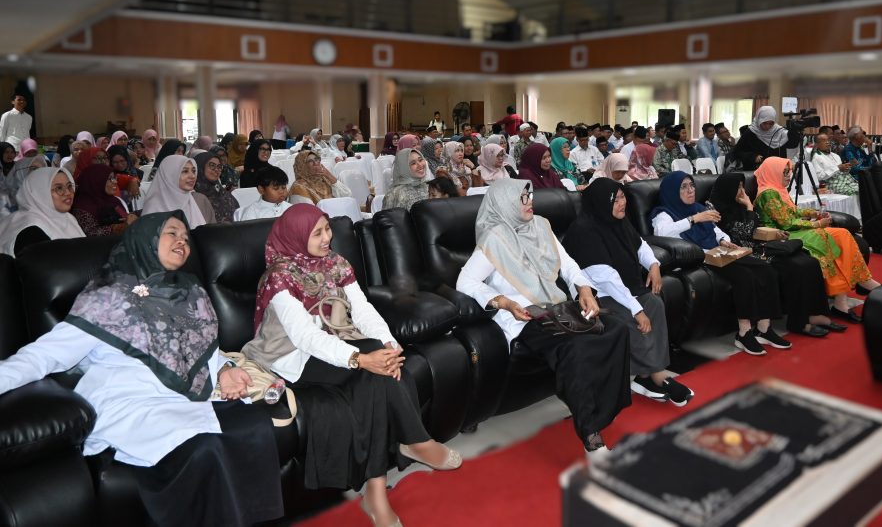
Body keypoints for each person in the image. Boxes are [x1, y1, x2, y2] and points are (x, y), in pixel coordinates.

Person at [0, 212, 284, 527]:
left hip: (182, 397)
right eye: (171, 233)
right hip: (130, 402)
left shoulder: (187, 292)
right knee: (205, 447)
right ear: (144, 241)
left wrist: (223, 369)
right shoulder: (107, 298)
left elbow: (197, 347)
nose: (182, 241)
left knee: (253, 424)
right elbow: (45, 355)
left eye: (185, 237)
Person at [243, 206, 459, 525]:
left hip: (337, 340)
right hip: (291, 357)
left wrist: (388, 345)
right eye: (316, 233)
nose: (327, 237)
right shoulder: (280, 276)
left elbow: (362, 308)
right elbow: (304, 337)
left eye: (327, 228)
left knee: (376, 375)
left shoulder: (335, 263)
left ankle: (376, 494)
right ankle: (413, 441)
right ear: (297, 237)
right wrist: (360, 358)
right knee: (373, 368)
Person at [457, 180, 631, 451]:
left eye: (530, 197)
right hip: (524, 316)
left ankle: (601, 409)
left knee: (617, 328)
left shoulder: (540, 225)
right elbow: (464, 282)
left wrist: (583, 288)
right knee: (575, 346)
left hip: (558, 307)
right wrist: (502, 301)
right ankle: (590, 431)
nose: (530, 203)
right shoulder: (494, 239)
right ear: (505, 203)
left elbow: (568, 264)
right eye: (523, 199)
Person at [562, 179, 695, 405]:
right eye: (617, 199)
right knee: (630, 315)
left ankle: (647, 374)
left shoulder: (618, 221)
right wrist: (636, 309)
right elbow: (607, 279)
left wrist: (654, 265)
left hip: (626, 287)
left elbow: (640, 245)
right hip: (598, 296)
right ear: (602, 202)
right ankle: (655, 375)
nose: (623, 203)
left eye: (623, 196)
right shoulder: (584, 230)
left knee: (655, 303)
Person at [651, 172, 787, 356]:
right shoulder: (664, 213)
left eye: (691, 185)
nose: (690, 190)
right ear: (672, 191)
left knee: (766, 269)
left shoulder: (698, 207)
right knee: (744, 276)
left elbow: (717, 231)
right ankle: (743, 333)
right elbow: (662, 232)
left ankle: (764, 328)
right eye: (683, 187)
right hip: (701, 258)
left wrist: (724, 241)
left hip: (720, 252)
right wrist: (694, 219)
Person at [709, 173, 841, 338]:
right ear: (727, 189)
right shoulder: (718, 211)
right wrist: (749, 207)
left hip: (761, 246)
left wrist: (773, 232)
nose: (742, 191)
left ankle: (816, 314)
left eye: (743, 186)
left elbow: (755, 226)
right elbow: (744, 232)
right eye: (738, 187)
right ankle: (799, 323)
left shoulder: (739, 205)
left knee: (810, 262)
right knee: (797, 267)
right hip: (748, 253)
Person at [754, 157, 881, 323]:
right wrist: (817, 224)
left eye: (789, 172)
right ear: (772, 172)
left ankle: (853, 289)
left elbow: (793, 212)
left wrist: (813, 214)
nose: (788, 176)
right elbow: (785, 222)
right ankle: (857, 287)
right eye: (783, 173)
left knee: (842, 234)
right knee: (823, 236)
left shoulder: (779, 190)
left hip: (795, 229)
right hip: (782, 234)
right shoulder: (768, 193)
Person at [0, 167, 86, 256]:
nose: (68, 193)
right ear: (39, 193)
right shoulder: (30, 232)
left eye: (69, 186)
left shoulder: (67, 218)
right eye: (59, 188)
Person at [142, 155, 212, 228]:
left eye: (194, 171)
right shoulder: (154, 208)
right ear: (170, 174)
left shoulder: (190, 201)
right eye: (185, 171)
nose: (192, 176)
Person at [71, 164, 138, 236]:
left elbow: (125, 217)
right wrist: (119, 228)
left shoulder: (113, 201)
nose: (115, 182)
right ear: (96, 180)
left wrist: (133, 218)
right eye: (110, 179)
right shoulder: (83, 207)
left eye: (115, 178)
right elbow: (91, 233)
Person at [733, 106, 802, 170]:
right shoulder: (750, 132)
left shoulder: (778, 131)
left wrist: (794, 131)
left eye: (771, 123)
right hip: (757, 171)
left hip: (777, 170)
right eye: (765, 123)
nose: (767, 126)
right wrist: (753, 157)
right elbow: (737, 152)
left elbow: (793, 144)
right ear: (759, 119)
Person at [193, 152, 239, 224]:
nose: (216, 170)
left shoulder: (221, 191)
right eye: (212, 165)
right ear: (200, 167)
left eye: (219, 167)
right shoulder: (193, 195)